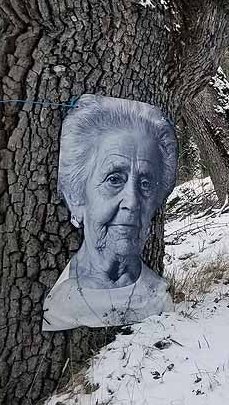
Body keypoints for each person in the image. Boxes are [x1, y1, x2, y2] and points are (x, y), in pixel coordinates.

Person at [42, 95, 179, 331]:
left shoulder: (158, 296)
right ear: (76, 197)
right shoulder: (58, 303)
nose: (132, 201)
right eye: (114, 179)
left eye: (145, 183)